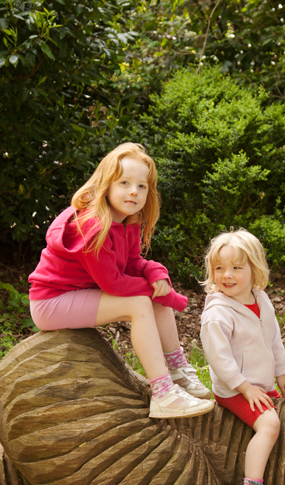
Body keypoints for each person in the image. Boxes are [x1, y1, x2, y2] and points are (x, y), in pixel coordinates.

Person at [27, 142, 214, 419]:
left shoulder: (128, 219)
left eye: (142, 186)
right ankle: (163, 394)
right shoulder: (92, 225)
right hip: (51, 302)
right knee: (140, 303)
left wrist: (156, 274)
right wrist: (160, 293)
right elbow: (113, 284)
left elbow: (133, 263)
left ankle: (177, 371)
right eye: (125, 182)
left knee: (154, 298)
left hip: (79, 294)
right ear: (106, 184)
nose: (133, 191)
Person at [199, 229, 285, 485]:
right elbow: (219, 360)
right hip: (233, 388)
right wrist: (245, 388)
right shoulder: (218, 315)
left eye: (237, 267)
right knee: (270, 424)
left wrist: (280, 370)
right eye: (220, 268)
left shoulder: (260, 299)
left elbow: (273, 337)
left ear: (255, 269)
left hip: (258, 382)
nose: (227, 275)